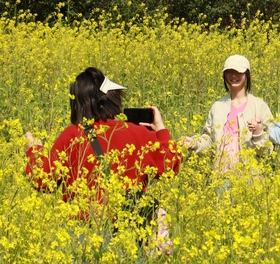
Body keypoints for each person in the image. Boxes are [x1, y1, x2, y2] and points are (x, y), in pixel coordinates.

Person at [24, 68, 181, 218]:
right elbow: (170, 166)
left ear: (77, 103)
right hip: (126, 230)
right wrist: (160, 128)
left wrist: (34, 150)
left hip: (80, 233)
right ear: (112, 99)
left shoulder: (73, 135)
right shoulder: (138, 134)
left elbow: (43, 181)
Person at [182, 55, 273, 172]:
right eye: (229, 72)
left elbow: (268, 150)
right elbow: (210, 142)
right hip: (221, 173)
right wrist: (194, 144)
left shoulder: (260, 107)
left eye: (238, 72)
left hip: (251, 176)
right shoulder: (217, 107)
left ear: (247, 74)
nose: (233, 76)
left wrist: (258, 133)